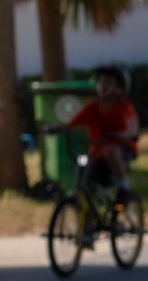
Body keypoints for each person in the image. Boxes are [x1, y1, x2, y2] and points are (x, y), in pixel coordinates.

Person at [54, 65, 142, 196]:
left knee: (110, 150)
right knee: (88, 180)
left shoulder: (123, 108)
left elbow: (133, 129)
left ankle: (124, 188)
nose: (102, 86)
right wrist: (54, 128)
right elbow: (72, 123)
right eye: (100, 82)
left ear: (119, 88)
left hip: (123, 149)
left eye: (108, 82)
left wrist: (122, 135)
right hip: (97, 152)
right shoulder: (92, 107)